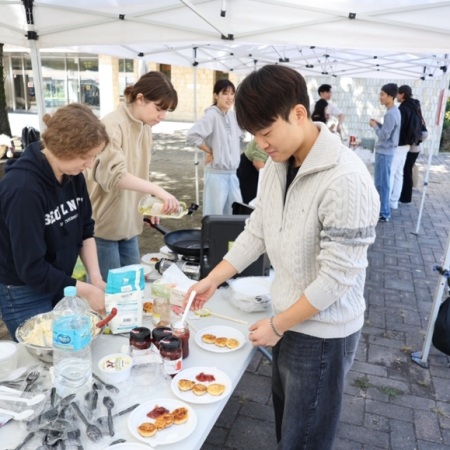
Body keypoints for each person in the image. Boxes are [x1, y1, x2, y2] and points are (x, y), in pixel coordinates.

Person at [185, 65, 380, 450]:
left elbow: (336, 280)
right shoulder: (278, 162)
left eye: (266, 132)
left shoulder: (347, 180)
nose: (260, 144)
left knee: (304, 439)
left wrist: (277, 325)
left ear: (299, 114)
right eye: (254, 134)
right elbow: (258, 229)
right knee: (288, 428)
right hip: (287, 316)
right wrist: (212, 277)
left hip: (323, 332)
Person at [0, 104, 108, 339]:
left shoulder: (73, 173)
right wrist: (84, 290)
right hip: (24, 291)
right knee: (42, 361)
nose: (89, 165)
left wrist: (96, 279)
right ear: (63, 147)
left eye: (93, 156)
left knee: (68, 349)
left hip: (60, 282)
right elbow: (31, 268)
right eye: (84, 156)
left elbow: (85, 230)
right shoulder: (23, 190)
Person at [85, 72, 180, 281]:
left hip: (129, 224)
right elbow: (115, 176)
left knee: (132, 291)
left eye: (166, 110)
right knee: (109, 295)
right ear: (140, 98)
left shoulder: (145, 128)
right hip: (104, 227)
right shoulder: (112, 125)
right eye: (159, 108)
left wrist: (147, 205)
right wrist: (158, 190)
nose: (162, 116)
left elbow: (137, 175)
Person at [186, 79, 245, 216]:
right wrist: (211, 151)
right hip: (216, 174)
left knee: (235, 215)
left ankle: (231, 239)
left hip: (233, 174)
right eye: (225, 93)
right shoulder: (211, 115)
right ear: (216, 95)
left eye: (232, 93)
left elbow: (240, 136)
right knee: (214, 216)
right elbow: (192, 136)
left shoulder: (233, 115)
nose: (229, 97)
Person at [369, 83, 401, 222]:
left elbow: (384, 136)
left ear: (390, 96)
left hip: (384, 151)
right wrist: (380, 124)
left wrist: (375, 126)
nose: (380, 97)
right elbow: (389, 131)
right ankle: (384, 211)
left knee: (381, 183)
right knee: (384, 182)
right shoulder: (393, 111)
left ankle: (383, 212)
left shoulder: (391, 114)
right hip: (387, 151)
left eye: (382, 94)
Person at [390, 85, 423, 209]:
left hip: (400, 143)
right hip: (408, 144)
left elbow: (398, 127)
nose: (396, 96)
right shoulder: (414, 107)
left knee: (392, 173)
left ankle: (389, 201)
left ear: (402, 94)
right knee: (399, 173)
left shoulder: (403, 109)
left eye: (397, 94)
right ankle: (395, 202)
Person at [400, 113, 428, 204]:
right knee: (406, 172)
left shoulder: (415, 119)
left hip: (412, 150)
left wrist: (415, 141)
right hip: (412, 149)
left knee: (406, 172)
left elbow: (425, 134)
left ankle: (406, 198)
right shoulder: (416, 118)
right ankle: (404, 196)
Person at [236, 139, 268, 204]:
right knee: (251, 205)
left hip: (263, 166)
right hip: (250, 167)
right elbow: (258, 162)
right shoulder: (272, 137)